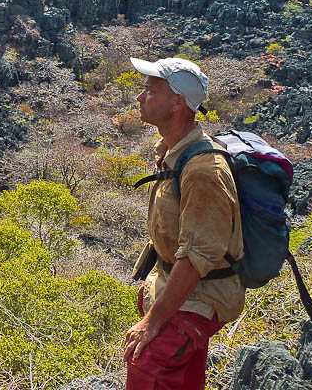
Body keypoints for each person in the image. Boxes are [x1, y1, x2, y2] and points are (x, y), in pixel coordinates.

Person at [122, 57, 245, 390]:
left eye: (150, 91)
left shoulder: (204, 171)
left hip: (203, 295)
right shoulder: (173, 151)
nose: (139, 98)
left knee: (145, 362)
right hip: (181, 286)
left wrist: (153, 321)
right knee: (185, 373)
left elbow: (195, 259)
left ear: (177, 103)